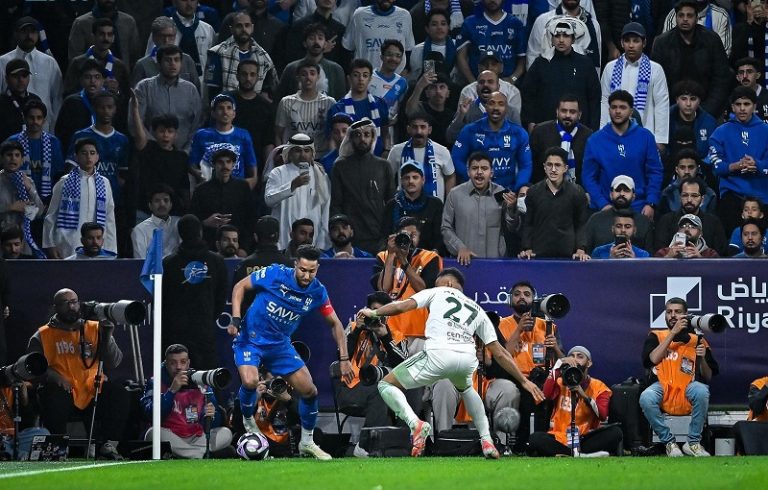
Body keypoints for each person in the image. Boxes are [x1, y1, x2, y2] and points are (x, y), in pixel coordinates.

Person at [357, 268, 545, 458]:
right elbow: (501, 353)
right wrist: (524, 381)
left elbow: (400, 307)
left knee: (385, 384)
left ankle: (416, 424)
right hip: (466, 360)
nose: (435, 287)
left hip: (439, 355)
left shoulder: (437, 292)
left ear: (448, 284)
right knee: (468, 390)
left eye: (437, 284)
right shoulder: (477, 310)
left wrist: (374, 312)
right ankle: (487, 441)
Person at [228, 245, 354, 460]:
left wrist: (344, 358)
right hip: (251, 339)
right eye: (303, 270)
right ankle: (248, 421)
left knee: (310, 391)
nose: (307, 275)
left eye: (312, 271)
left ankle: (307, 442)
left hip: (280, 345)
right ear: (295, 265)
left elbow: (335, 324)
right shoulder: (275, 274)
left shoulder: (317, 291)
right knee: (250, 382)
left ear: (317, 268)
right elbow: (240, 286)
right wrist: (236, 319)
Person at [27, 288, 129, 459]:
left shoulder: (95, 328)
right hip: (63, 389)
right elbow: (32, 367)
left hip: (92, 387)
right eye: (65, 303)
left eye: (74, 302)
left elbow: (114, 362)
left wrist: (107, 335)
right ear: (55, 307)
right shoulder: (43, 334)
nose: (71, 307)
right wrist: (53, 376)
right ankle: (58, 447)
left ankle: (108, 445)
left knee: (119, 394)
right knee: (51, 396)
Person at [639, 297, 719, 457]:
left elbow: (708, 375)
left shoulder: (698, 339)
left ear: (686, 314)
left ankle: (693, 443)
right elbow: (652, 359)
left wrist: (702, 357)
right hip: (663, 385)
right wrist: (673, 333)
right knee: (646, 397)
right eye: (669, 312)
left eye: (677, 312)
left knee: (702, 391)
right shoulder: (656, 335)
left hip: (688, 385)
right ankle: (669, 443)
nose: (673, 315)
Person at [334, 291, 408, 457]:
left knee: (401, 392)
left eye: (381, 312)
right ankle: (365, 446)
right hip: (351, 388)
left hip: (383, 390)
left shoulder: (396, 335)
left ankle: (399, 448)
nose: (376, 316)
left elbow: (403, 366)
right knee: (382, 393)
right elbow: (340, 356)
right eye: (374, 311)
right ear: (367, 311)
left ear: (388, 314)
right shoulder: (354, 327)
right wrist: (357, 331)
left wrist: (385, 338)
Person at [498, 281, 565, 453]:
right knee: (528, 393)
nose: (522, 297)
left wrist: (555, 347)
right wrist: (519, 329)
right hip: (514, 376)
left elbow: (562, 361)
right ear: (510, 300)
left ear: (534, 300)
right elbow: (503, 355)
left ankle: (547, 441)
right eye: (517, 294)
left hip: (542, 377)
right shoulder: (501, 324)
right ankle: (522, 444)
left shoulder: (548, 326)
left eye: (527, 294)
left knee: (550, 389)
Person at [141, 344, 233, 459]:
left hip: (196, 437)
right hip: (171, 436)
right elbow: (150, 414)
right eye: (173, 363)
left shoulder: (199, 380)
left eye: (183, 362)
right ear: (166, 364)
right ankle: (200, 455)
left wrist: (211, 416)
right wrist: (171, 391)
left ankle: (189, 455)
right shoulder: (156, 382)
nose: (178, 367)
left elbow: (212, 425)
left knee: (226, 433)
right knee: (153, 433)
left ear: (188, 363)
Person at [529, 346, 622, 457]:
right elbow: (546, 395)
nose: (575, 359)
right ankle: (578, 455)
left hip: (584, 437)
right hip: (559, 436)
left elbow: (602, 415)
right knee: (535, 438)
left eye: (580, 356)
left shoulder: (599, 387)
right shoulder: (560, 382)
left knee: (616, 432)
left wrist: (583, 395)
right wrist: (558, 365)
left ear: (589, 363)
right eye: (572, 356)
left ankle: (569, 453)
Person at [582, 90, 663, 218]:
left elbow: (655, 172)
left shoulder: (646, 137)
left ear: (631, 111)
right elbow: (588, 177)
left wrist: (651, 202)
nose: (617, 111)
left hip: (640, 207)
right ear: (609, 110)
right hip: (606, 208)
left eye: (622, 107)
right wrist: (602, 204)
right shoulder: (594, 140)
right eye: (614, 107)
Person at [162, 215, 227, 370]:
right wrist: (208, 316)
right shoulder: (217, 261)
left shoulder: (169, 263)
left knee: (179, 374)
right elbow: (221, 297)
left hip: (176, 330)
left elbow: (163, 301)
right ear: (200, 232)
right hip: (204, 329)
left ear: (180, 234)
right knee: (206, 376)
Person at [651, 0, 732, 118]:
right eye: (681, 15)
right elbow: (657, 83)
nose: (685, 19)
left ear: (697, 18)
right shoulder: (662, 43)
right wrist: (671, 112)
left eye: (689, 15)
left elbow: (721, 79)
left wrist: (707, 112)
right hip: (671, 111)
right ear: (676, 18)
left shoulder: (712, 40)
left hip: (708, 108)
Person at [707, 86, 768, 236]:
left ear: (754, 106)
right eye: (738, 104)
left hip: (762, 197)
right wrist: (734, 166)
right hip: (732, 196)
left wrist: (758, 165)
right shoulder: (719, 133)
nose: (742, 108)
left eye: (746, 104)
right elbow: (717, 166)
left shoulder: (766, 131)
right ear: (732, 107)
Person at [522, 19, 601, 132]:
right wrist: (530, 121)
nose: (561, 40)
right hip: (546, 129)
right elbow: (528, 95)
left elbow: (594, 98)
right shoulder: (541, 63)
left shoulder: (585, 63)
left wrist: (593, 129)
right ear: (551, 39)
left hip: (580, 130)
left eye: (566, 35)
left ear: (573, 39)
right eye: (557, 35)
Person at [330, 118, 395, 254]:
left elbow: (391, 203)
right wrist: (340, 232)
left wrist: (388, 234)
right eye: (358, 135)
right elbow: (336, 203)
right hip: (350, 236)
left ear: (372, 138)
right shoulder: (340, 166)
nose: (362, 139)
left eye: (366, 135)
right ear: (351, 138)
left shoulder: (384, 166)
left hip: (378, 235)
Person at [43, 138, 116, 259]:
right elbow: (51, 215)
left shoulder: (104, 183)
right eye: (84, 153)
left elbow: (109, 218)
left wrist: (112, 248)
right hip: (68, 242)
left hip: (96, 245)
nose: (88, 157)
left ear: (97, 157)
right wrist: (50, 244)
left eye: (92, 153)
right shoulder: (64, 182)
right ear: (76, 157)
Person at [442, 151, 521, 263]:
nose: (479, 172)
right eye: (475, 168)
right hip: (464, 263)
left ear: (491, 173)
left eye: (484, 168)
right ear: (468, 172)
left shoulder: (501, 194)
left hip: (496, 263)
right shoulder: (455, 194)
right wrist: (459, 248)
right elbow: (446, 227)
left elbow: (512, 228)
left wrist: (512, 209)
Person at [600, 22, 669, 149]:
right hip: (614, 135)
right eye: (627, 41)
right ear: (622, 43)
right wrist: (603, 132)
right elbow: (605, 102)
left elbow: (661, 105)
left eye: (636, 41)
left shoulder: (655, 69)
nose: (631, 45)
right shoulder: (610, 68)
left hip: (645, 135)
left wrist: (660, 139)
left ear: (644, 43)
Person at [372, 216, 442, 341]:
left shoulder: (429, 258)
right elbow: (383, 289)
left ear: (419, 237)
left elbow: (424, 290)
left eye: (413, 235)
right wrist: (391, 255)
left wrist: (404, 261)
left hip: (419, 330)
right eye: (404, 235)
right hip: (388, 329)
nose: (409, 239)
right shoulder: (383, 256)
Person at [451, 91, 532, 191]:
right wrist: (474, 180)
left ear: (507, 108)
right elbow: (457, 158)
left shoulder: (519, 133)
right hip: (475, 190)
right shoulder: (469, 130)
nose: (496, 108)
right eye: (491, 103)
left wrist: (518, 188)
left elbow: (525, 165)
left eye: (501, 104)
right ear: (486, 107)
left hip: (507, 192)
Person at [518, 147, 590, 260]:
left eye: (557, 165)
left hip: (568, 257)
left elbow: (580, 224)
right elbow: (528, 223)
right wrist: (527, 247)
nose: (553, 169)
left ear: (565, 168)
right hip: (539, 256)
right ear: (544, 167)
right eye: (549, 165)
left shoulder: (577, 192)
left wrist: (581, 249)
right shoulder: (533, 192)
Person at [130, 45, 203, 152]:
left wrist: (186, 151)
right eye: (168, 60)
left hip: (183, 153)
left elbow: (197, 124)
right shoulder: (144, 87)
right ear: (159, 63)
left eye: (176, 60)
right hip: (150, 152)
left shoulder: (190, 89)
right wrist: (153, 148)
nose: (173, 64)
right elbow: (135, 122)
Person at [265, 134, 332, 250]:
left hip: (313, 241)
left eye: (306, 151)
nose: (303, 155)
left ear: (312, 153)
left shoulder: (321, 175)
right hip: (283, 240)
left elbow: (326, 211)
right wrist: (292, 186)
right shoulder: (278, 172)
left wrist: (322, 244)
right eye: (298, 151)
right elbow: (269, 200)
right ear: (290, 153)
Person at [0, 17, 63, 133]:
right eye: (24, 31)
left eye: (33, 31)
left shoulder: (49, 62)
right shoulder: (3, 61)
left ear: (38, 34)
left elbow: (57, 98)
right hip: (9, 126)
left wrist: (54, 128)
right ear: (16, 34)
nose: (29, 35)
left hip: (44, 128)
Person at [190, 145, 256, 253]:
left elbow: (251, 220)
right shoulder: (201, 190)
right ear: (213, 165)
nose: (225, 166)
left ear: (233, 165)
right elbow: (192, 220)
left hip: (238, 247)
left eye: (228, 162)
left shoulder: (243, 187)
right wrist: (205, 223)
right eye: (220, 162)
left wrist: (244, 248)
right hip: (208, 248)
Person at [189, 93, 258, 186]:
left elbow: (252, 166)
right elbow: (192, 164)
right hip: (210, 187)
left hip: (236, 187)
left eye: (229, 108)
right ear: (213, 113)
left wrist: (246, 186)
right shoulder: (201, 135)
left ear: (234, 114)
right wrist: (201, 177)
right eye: (220, 108)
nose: (225, 112)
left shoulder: (243, 135)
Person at [325, 59, 391, 156]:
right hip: (347, 159)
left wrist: (386, 152)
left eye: (365, 75)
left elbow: (385, 134)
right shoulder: (337, 108)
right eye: (356, 75)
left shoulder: (380, 104)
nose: (361, 79)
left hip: (376, 157)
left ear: (370, 79)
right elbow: (332, 140)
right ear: (349, 78)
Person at [205, 11, 278, 99]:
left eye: (247, 25)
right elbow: (211, 91)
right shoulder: (217, 53)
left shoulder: (263, 57)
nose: (244, 29)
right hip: (225, 105)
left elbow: (272, 87)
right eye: (239, 26)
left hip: (253, 105)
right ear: (231, 29)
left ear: (252, 28)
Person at [231, 215, 294, 314]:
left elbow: (237, 299)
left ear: (256, 237)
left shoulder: (245, 265)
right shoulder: (289, 265)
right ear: (277, 236)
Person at [388, 113, 455, 203]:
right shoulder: (396, 151)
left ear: (429, 130)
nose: (419, 132)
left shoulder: (442, 151)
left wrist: (448, 202)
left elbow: (450, 176)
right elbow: (388, 177)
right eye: (415, 127)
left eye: (423, 127)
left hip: (435, 208)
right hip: (404, 206)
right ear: (408, 129)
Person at [456, 0, 526, 84]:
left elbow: (522, 59)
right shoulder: (470, 23)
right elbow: (461, 56)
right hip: (477, 83)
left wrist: (513, 78)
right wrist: (473, 82)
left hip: (508, 85)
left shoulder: (515, 23)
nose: (492, 0)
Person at [274, 61, 336, 155]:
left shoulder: (329, 103)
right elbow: (278, 134)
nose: (308, 77)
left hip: (321, 156)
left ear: (318, 77)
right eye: (304, 74)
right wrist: (282, 155)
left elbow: (333, 134)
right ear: (298, 77)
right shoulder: (286, 102)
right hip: (294, 156)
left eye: (312, 73)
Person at [529, 95, 593, 185]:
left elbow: (591, 171)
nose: (567, 115)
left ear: (579, 115)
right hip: (543, 188)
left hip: (579, 190)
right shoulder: (540, 132)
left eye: (572, 112)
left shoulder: (589, 136)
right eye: (564, 111)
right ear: (557, 112)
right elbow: (531, 166)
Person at [63, 18, 131, 103]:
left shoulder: (119, 66)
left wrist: (116, 91)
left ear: (113, 38)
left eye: (109, 34)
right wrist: (90, 88)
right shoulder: (78, 63)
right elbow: (68, 93)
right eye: (102, 34)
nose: (106, 38)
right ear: (93, 36)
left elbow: (126, 97)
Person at [382, 161, 445, 252]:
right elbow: (384, 236)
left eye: (415, 177)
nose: (411, 181)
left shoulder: (435, 204)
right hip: (398, 256)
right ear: (401, 181)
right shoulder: (392, 205)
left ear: (423, 180)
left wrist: (434, 253)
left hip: (427, 257)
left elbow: (440, 237)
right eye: (406, 178)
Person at [654, 177, 726, 255]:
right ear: (680, 197)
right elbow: (658, 254)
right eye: (685, 195)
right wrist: (669, 256)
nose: (689, 200)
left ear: (702, 199)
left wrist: (700, 259)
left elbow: (721, 256)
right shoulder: (666, 220)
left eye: (694, 196)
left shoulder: (713, 222)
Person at [276, 24, 346, 102]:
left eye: (320, 38)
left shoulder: (336, 69)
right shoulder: (291, 68)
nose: (316, 42)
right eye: (312, 38)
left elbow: (341, 102)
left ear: (325, 44)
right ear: (304, 43)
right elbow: (279, 99)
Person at [342, 0, 415, 74]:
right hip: (365, 77)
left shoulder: (405, 16)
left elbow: (409, 49)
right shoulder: (359, 14)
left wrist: (405, 70)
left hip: (396, 76)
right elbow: (348, 47)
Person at [130, 16, 201, 92]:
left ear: (175, 37)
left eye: (170, 36)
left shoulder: (187, 60)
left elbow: (196, 91)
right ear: (154, 37)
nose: (166, 40)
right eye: (162, 36)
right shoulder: (142, 64)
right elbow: (136, 94)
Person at [0, 140, 45, 258]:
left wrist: (30, 189)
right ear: (1, 159)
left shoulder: (28, 181)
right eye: (9, 155)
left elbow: (39, 212)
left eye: (17, 155)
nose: (13, 158)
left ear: (22, 160)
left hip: (23, 243)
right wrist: (10, 207)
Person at [527, 2, 602, 72]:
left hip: (582, 80)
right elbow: (532, 58)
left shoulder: (594, 25)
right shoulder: (543, 21)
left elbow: (595, 67)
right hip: (548, 80)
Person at [227, 59, 276, 166]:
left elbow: (268, 141)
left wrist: (268, 168)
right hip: (227, 163)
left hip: (256, 163)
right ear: (237, 76)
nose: (248, 78)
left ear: (258, 77)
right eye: (244, 74)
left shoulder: (265, 106)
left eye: (252, 74)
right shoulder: (226, 101)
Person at [68, 0, 141, 68]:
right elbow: (75, 58)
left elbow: (134, 56)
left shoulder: (128, 22)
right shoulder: (81, 23)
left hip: (121, 74)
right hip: (91, 75)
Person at [667, 80, 717, 163]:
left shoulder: (709, 123)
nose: (688, 104)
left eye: (693, 99)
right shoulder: (666, 120)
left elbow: (713, 153)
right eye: (684, 99)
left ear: (699, 101)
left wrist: (700, 167)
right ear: (677, 100)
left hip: (701, 167)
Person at [660, 0, 732, 55]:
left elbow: (723, 53)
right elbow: (667, 50)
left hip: (711, 68)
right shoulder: (675, 14)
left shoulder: (721, 15)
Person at [659, 149, 717, 216]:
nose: (686, 172)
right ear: (677, 170)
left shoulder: (710, 194)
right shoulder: (667, 194)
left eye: (691, 167)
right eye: (682, 167)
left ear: (698, 169)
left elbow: (711, 220)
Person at [131, 185, 181, 259]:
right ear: (150, 206)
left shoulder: (179, 223)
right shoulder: (139, 230)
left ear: (171, 204)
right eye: (157, 201)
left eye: (166, 200)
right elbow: (140, 261)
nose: (162, 204)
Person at [0, 59, 42, 143]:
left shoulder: (35, 100)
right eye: (15, 76)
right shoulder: (1, 101)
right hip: (6, 148)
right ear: (6, 78)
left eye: (24, 75)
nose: (21, 80)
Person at [655, 213, 720, 257]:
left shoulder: (710, 254)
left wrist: (700, 259)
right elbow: (654, 271)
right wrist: (668, 257)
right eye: (683, 226)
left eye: (692, 227)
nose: (686, 229)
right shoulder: (664, 252)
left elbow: (718, 272)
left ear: (700, 233)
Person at [733, 57, 768, 122]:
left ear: (758, 75)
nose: (745, 76)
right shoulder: (732, 98)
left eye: (749, 72)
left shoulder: (766, 97)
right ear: (737, 77)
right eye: (741, 72)